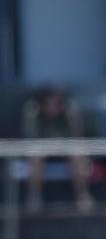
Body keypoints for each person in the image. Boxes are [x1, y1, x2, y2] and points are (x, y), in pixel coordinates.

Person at [22, 86, 96, 214]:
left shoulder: (69, 111)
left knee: (78, 154)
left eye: (56, 104)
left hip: (65, 148)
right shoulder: (33, 111)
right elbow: (30, 136)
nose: (52, 107)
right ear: (42, 103)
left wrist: (71, 115)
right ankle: (34, 197)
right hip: (42, 149)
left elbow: (76, 135)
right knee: (35, 155)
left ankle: (83, 196)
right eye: (49, 103)